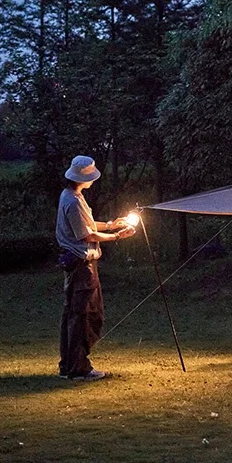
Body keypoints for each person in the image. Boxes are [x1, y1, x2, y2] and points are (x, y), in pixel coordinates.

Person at [56, 155, 136, 381]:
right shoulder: (72, 201)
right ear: (82, 178)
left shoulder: (72, 196)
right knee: (84, 315)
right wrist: (118, 236)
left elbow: (88, 225)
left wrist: (111, 225)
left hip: (79, 264)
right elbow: (87, 234)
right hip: (82, 265)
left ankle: (69, 365)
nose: (93, 180)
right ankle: (78, 367)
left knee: (75, 314)